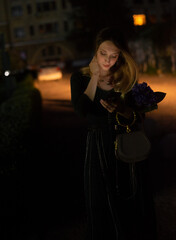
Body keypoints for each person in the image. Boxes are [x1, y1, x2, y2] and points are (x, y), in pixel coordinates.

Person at [70, 27, 157, 240]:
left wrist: (123, 110)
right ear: (95, 51)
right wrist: (95, 78)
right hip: (99, 146)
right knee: (100, 202)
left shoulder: (126, 77)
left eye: (114, 55)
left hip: (126, 144)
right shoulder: (80, 78)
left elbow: (138, 118)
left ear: (120, 54)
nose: (108, 60)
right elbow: (81, 110)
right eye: (103, 54)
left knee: (130, 202)